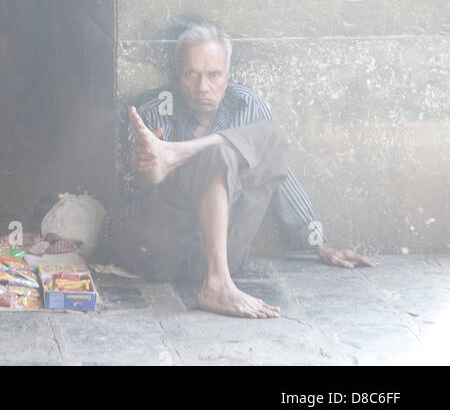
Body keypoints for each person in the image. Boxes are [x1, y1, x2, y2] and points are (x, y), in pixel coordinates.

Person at [108, 22, 375, 319]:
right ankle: (217, 285)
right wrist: (149, 170)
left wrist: (318, 244)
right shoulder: (153, 113)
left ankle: (179, 153)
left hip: (226, 249)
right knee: (217, 156)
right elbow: (136, 198)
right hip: (164, 253)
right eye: (190, 74)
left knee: (268, 136)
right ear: (177, 74)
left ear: (227, 76)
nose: (203, 87)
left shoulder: (246, 105)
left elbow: (279, 173)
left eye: (214, 75)